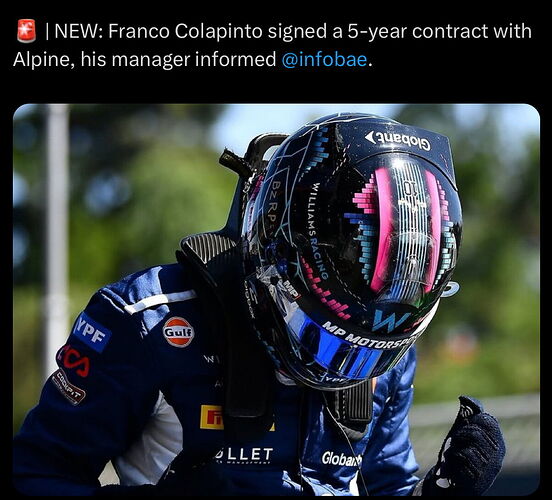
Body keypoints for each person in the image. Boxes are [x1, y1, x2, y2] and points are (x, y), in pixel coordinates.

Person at [13, 112, 505, 496]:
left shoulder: (388, 346)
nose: (346, 363)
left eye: (370, 351)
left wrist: (441, 490)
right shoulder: (147, 322)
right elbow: (33, 474)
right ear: (271, 261)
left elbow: (389, 485)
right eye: (329, 337)